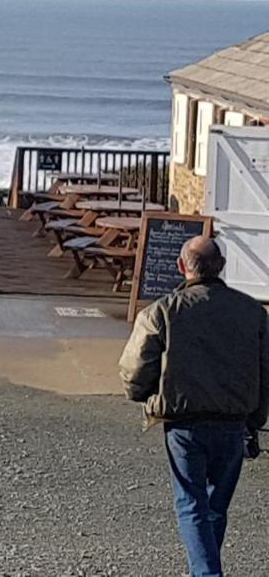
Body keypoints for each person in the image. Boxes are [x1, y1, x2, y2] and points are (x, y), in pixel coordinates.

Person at [119, 236, 269, 577]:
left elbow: (134, 370)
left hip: (184, 423)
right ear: (222, 267)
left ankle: (206, 573)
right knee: (215, 507)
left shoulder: (162, 311)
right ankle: (203, 569)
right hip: (233, 422)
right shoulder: (252, 313)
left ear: (181, 266)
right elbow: (265, 371)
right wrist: (256, 419)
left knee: (192, 505)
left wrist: (144, 395)